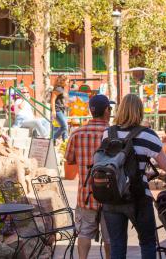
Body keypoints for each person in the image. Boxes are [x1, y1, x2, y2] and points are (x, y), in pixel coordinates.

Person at [102, 94, 166, 259]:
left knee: (117, 245)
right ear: (139, 111)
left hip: (112, 196)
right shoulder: (147, 134)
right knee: (147, 242)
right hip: (138, 196)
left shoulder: (108, 133)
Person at [65, 95, 112, 259]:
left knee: (84, 232)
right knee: (111, 237)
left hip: (85, 195)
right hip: (110, 196)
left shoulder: (77, 133)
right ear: (107, 110)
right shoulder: (113, 134)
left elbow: (69, 161)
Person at [51, 75, 69, 142]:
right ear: (63, 81)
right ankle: (52, 139)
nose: (68, 83)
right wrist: (53, 111)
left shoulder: (62, 88)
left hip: (62, 110)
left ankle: (65, 142)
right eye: (67, 81)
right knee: (64, 126)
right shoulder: (58, 89)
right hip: (57, 110)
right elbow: (52, 99)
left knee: (65, 127)